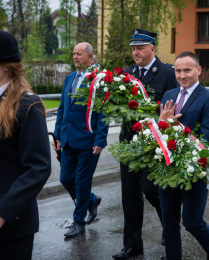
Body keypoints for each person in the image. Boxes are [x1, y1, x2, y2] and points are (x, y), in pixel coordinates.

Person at [113, 28, 179, 259]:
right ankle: (133, 244)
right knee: (129, 195)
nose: (135, 52)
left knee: (153, 191)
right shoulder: (127, 74)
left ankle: (170, 230)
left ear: (152, 49)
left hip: (155, 145)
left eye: (140, 48)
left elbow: (173, 110)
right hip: (129, 144)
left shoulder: (167, 74)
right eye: (133, 48)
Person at [158, 51, 209, 260]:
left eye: (187, 70)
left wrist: (174, 128)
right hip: (168, 168)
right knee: (169, 222)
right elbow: (159, 134)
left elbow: (208, 139)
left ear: (199, 70)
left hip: (194, 169)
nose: (182, 75)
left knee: (192, 222)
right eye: (178, 70)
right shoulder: (168, 95)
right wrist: (162, 124)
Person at [0, 31, 51, 260]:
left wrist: (3, 212)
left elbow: (38, 168)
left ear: (6, 67)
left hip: (11, 223)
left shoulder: (28, 105)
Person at [52, 42, 109, 238]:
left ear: (90, 57)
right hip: (67, 140)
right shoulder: (69, 78)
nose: (75, 57)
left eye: (79, 54)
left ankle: (79, 222)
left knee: (82, 182)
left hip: (88, 141)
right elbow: (62, 109)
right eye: (74, 54)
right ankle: (91, 200)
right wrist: (57, 135)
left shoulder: (100, 80)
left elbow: (104, 112)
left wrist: (100, 139)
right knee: (66, 178)